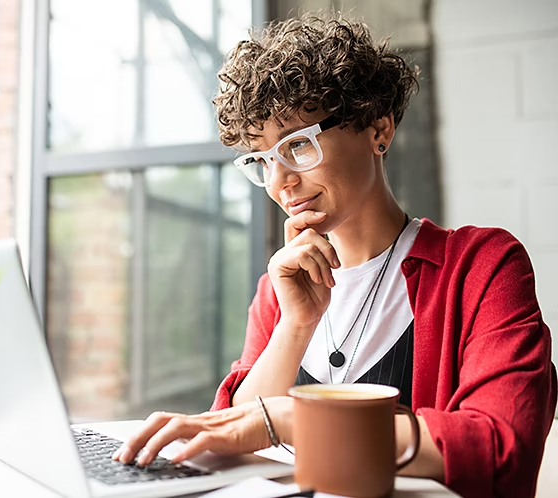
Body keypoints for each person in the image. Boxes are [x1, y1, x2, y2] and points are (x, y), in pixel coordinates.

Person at [112, 14, 556, 497]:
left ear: (378, 129)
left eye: (298, 145)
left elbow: (501, 451)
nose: (280, 182)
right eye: (262, 159)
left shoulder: (481, 266)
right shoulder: (278, 290)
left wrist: (294, 419)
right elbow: (232, 436)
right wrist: (295, 325)